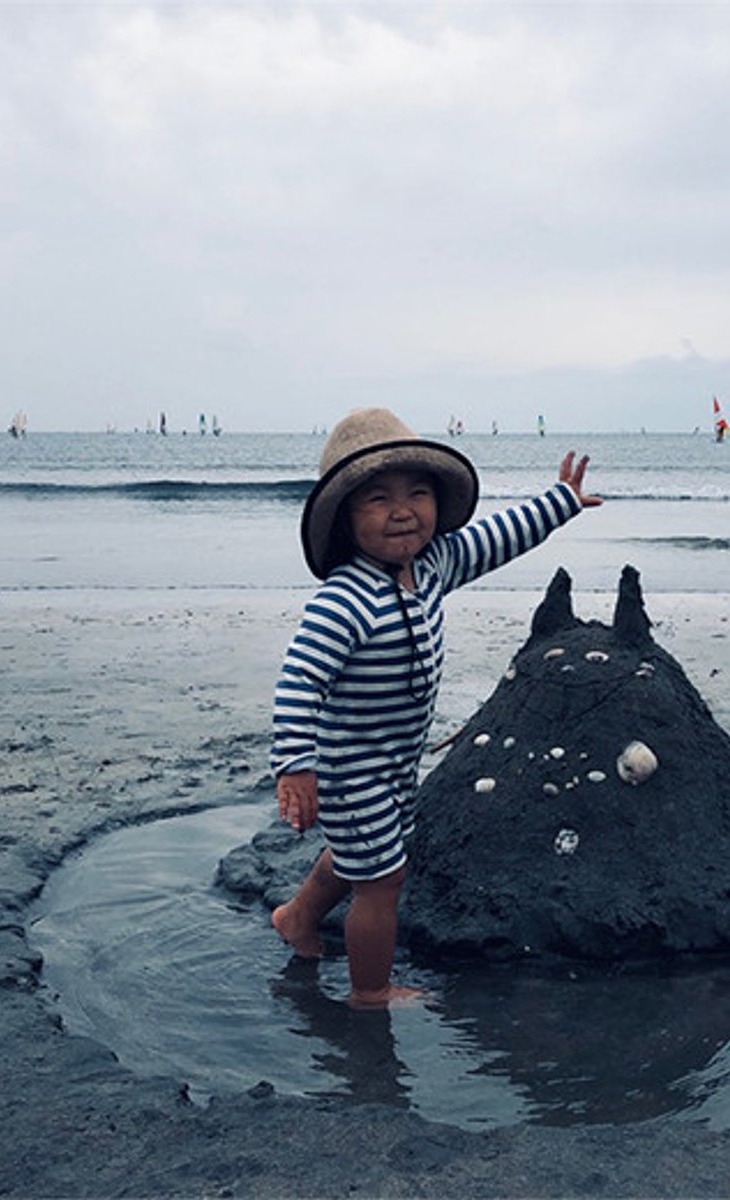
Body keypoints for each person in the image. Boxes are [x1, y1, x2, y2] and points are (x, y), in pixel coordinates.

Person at [271, 407, 601, 1009]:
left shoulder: (430, 566)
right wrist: (295, 764)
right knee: (383, 878)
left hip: (396, 758)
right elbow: (299, 681)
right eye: (378, 499)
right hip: (350, 765)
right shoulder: (342, 600)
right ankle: (371, 991)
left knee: (362, 855)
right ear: (345, 518)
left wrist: (560, 503)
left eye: (417, 494)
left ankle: (297, 917)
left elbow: (492, 541)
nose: (402, 511)